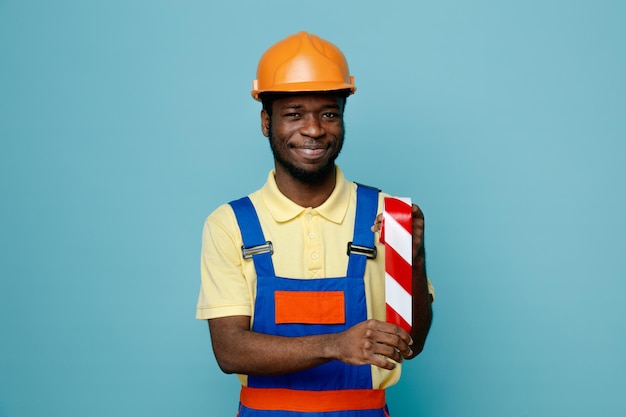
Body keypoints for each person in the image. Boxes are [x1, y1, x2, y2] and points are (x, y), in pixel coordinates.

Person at [196, 31, 434, 416]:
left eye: (328, 113)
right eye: (293, 114)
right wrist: (336, 345)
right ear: (265, 121)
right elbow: (229, 351)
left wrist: (416, 261)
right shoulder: (230, 225)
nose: (313, 129)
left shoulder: (386, 214)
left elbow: (412, 342)